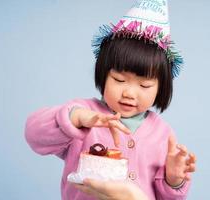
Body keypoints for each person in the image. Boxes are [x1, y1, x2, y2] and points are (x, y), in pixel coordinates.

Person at [25, 0, 196, 199]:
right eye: (119, 80)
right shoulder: (83, 113)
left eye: (144, 85)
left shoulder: (163, 134)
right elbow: (34, 133)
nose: (130, 93)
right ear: (103, 75)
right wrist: (77, 119)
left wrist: (173, 180)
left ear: (161, 88)